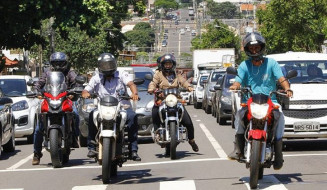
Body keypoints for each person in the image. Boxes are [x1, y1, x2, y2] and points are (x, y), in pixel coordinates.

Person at [228, 32, 293, 170]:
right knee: (239, 115)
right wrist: (234, 86)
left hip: (271, 101)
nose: (254, 50)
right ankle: (238, 149)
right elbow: (238, 80)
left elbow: (281, 79)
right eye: (251, 48)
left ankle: (279, 154)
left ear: (262, 47)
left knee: (280, 116)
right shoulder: (244, 65)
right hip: (250, 101)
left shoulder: (272, 63)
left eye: (257, 47)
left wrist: (287, 88)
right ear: (247, 50)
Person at [81, 53, 141, 161]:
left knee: (132, 117)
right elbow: (87, 89)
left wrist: (134, 93)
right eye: (104, 66)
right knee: (91, 116)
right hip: (102, 107)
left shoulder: (122, 74)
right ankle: (91, 147)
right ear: (100, 67)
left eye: (109, 65)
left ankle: (133, 150)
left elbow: (131, 84)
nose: (107, 68)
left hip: (122, 106)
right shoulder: (96, 77)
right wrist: (85, 93)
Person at [32, 52, 80, 165]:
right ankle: (36, 153)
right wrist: (36, 90)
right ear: (52, 63)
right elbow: (39, 83)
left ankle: (74, 138)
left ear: (65, 63)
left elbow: (76, 83)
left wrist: (75, 90)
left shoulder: (69, 72)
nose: (58, 65)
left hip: (65, 98)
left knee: (76, 114)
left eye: (60, 63)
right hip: (50, 98)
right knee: (39, 127)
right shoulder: (47, 72)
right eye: (55, 63)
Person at [148, 54, 199, 154]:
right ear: (162, 65)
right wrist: (151, 89)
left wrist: (189, 87)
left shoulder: (176, 74)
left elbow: (183, 81)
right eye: (166, 64)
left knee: (188, 122)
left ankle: (192, 140)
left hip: (176, 100)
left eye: (169, 64)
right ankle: (157, 131)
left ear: (173, 65)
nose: (168, 66)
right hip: (162, 100)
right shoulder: (158, 74)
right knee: (154, 112)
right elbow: (153, 83)